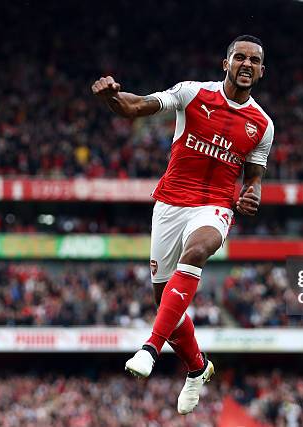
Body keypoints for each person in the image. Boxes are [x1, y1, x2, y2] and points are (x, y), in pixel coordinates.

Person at [91, 35, 274, 414]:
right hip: (171, 204)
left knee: (198, 251)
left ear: (261, 70)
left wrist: (252, 193)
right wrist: (111, 97)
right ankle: (197, 367)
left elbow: (254, 175)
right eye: (239, 57)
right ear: (226, 64)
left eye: (253, 60)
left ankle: (149, 349)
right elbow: (137, 106)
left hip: (215, 207)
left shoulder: (262, 124)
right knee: (164, 302)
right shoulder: (193, 94)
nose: (246, 64)